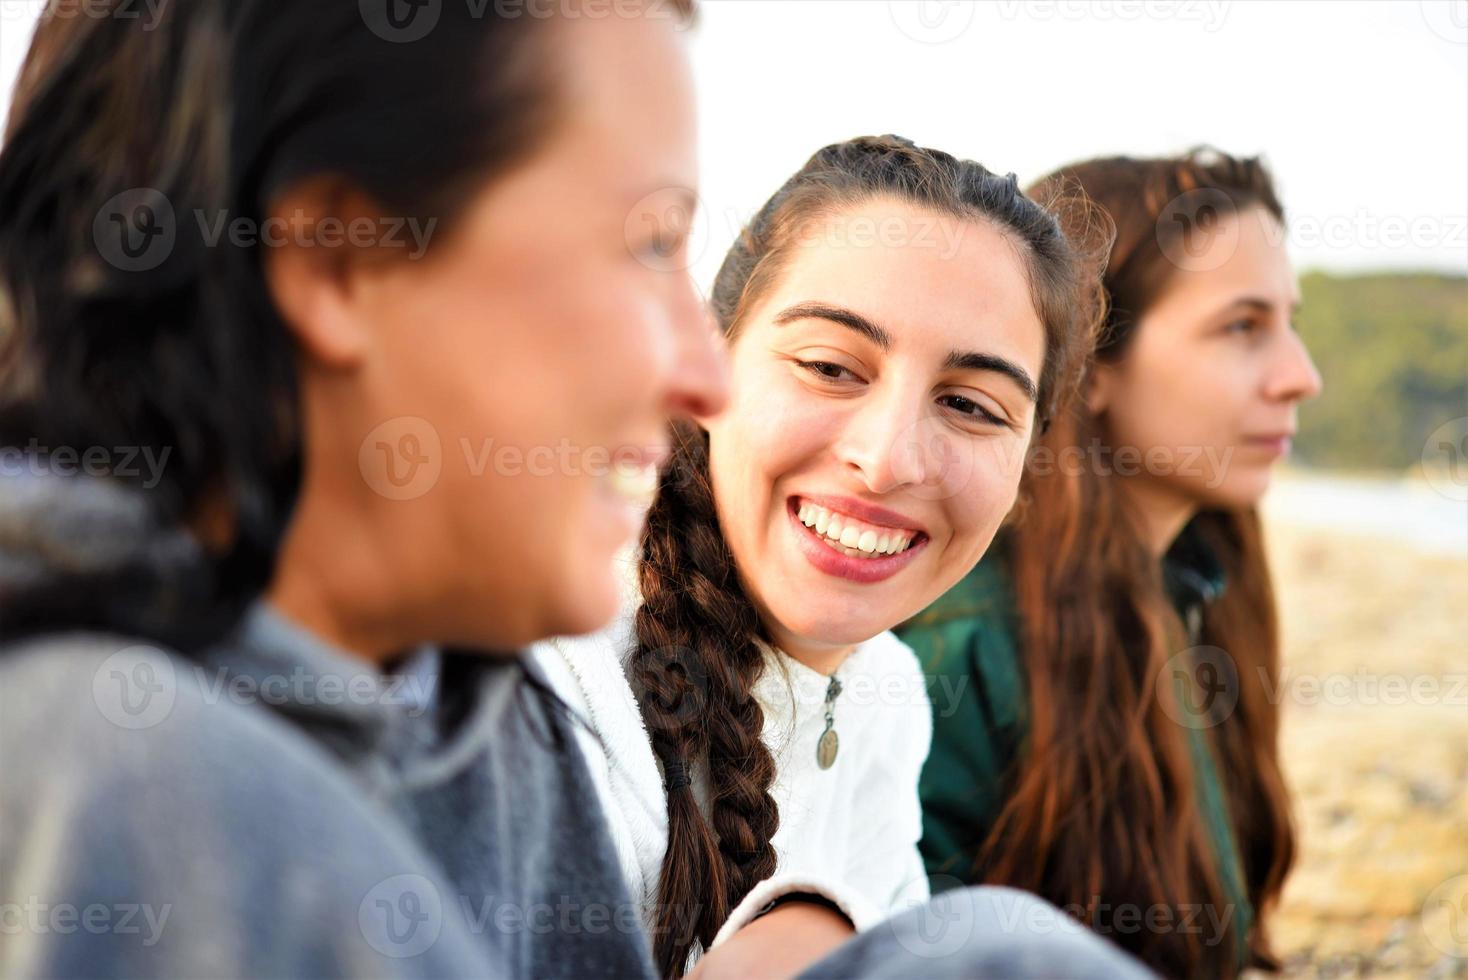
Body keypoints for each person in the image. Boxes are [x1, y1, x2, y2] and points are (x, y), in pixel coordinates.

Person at [0, 1, 723, 975]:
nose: (707, 379)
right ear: (339, 262)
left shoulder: (498, 725)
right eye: (649, 243)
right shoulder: (118, 779)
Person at [534, 134, 1112, 978]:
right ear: (707, 364)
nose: (887, 459)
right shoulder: (551, 668)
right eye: (830, 366)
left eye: (971, 405)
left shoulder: (888, 696)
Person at [899, 149, 1322, 979]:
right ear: (1087, 366)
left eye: (1290, 321)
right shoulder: (966, 646)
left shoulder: (1199, 586)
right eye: (1242, 326)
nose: (1300, 376)